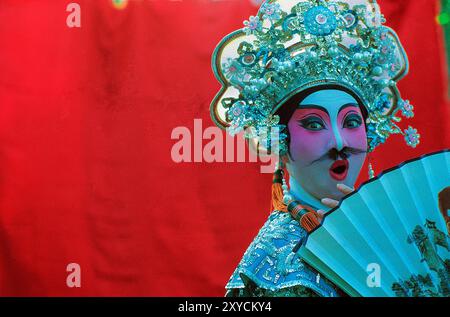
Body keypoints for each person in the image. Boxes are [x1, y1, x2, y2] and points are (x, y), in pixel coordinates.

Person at [210, 0, 419, 297]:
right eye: (313, 124)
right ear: (279, 141)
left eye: (350, 121)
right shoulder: (277, 263)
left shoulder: (390, 236)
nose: (338, 142)